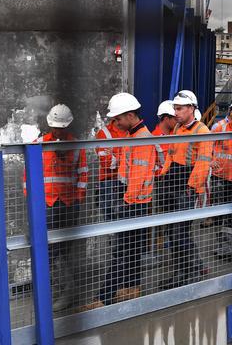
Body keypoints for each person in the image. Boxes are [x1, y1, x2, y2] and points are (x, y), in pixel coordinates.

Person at [91, 93, 159, 307]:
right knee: (131, 249)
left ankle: (104, 298)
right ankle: (130, 288)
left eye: (118, 118)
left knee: (121, 250)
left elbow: (138, 176)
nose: (116, 123)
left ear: (130, 115)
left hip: (134, 203)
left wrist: (125, 202)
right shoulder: (134, 136)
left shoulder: (141, 140)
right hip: (136, 201)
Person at [24, 104, 88, 311]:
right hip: (46, 205)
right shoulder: (38, 145)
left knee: (63, 251)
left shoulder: (76, 146)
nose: (58, 131)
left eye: (62, 127)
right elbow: (27, 177)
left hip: (68, 205)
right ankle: (58, 291)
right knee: (50, 251)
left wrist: (78, 198)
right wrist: (33, 200)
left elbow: (83, 173)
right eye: (56, 127)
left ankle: (66, 293)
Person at [159, 90, 212, 287]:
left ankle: (191, 273)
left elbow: (203, 162)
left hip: (186, 188)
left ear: (191, 109)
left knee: (180, 233)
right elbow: (171, 155)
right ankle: (183, 272)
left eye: (179, 108)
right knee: (173, 234)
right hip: (172, 183)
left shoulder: (202, 132)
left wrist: (191, 187)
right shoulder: (178, 129)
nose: (176, 112)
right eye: (174, 108)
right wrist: (162, 176)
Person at [95, 118, 126, 221]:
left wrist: (115, 155)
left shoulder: (129, 131)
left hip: (126, 178)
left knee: (125, 213)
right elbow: (107, 163)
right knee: (109, 214)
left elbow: (134, 157)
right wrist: (123, 158)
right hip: (108, 180)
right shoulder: (104, 133)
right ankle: (112, 235)